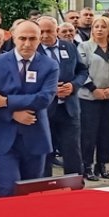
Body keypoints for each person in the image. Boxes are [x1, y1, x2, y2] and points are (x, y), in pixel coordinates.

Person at [0, 21, 58, 196]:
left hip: (35, 137)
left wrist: (5, 101)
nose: (27, 44)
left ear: (39, 39)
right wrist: (11, 114)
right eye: (22, 38)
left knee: (31, 191)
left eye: (32, 39)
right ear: (13, 38)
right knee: (8, 189)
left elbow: (44, 98)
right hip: (4, 138)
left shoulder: (50, 65)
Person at [38, 17, 88, 178]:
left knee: (72, 149)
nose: (45, 35)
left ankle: (74, 183)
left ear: (57, 31)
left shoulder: (69, 47)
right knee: (45, 151)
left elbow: (82, 71)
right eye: (41, 32)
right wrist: (51, 90)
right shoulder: (33, 51)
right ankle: (44, 184)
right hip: (45, 110)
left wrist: (74, 85)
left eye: (49, 31)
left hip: (69, 108)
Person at [77, 15, 109, 180]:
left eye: (103, 27)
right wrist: (93, 88)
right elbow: (80, 69)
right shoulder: (84, 47)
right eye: (96, 26)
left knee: (108, 131)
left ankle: (102, 164)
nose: (99, 30)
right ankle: (87, 165)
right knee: (88, 132)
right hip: (89, 96)